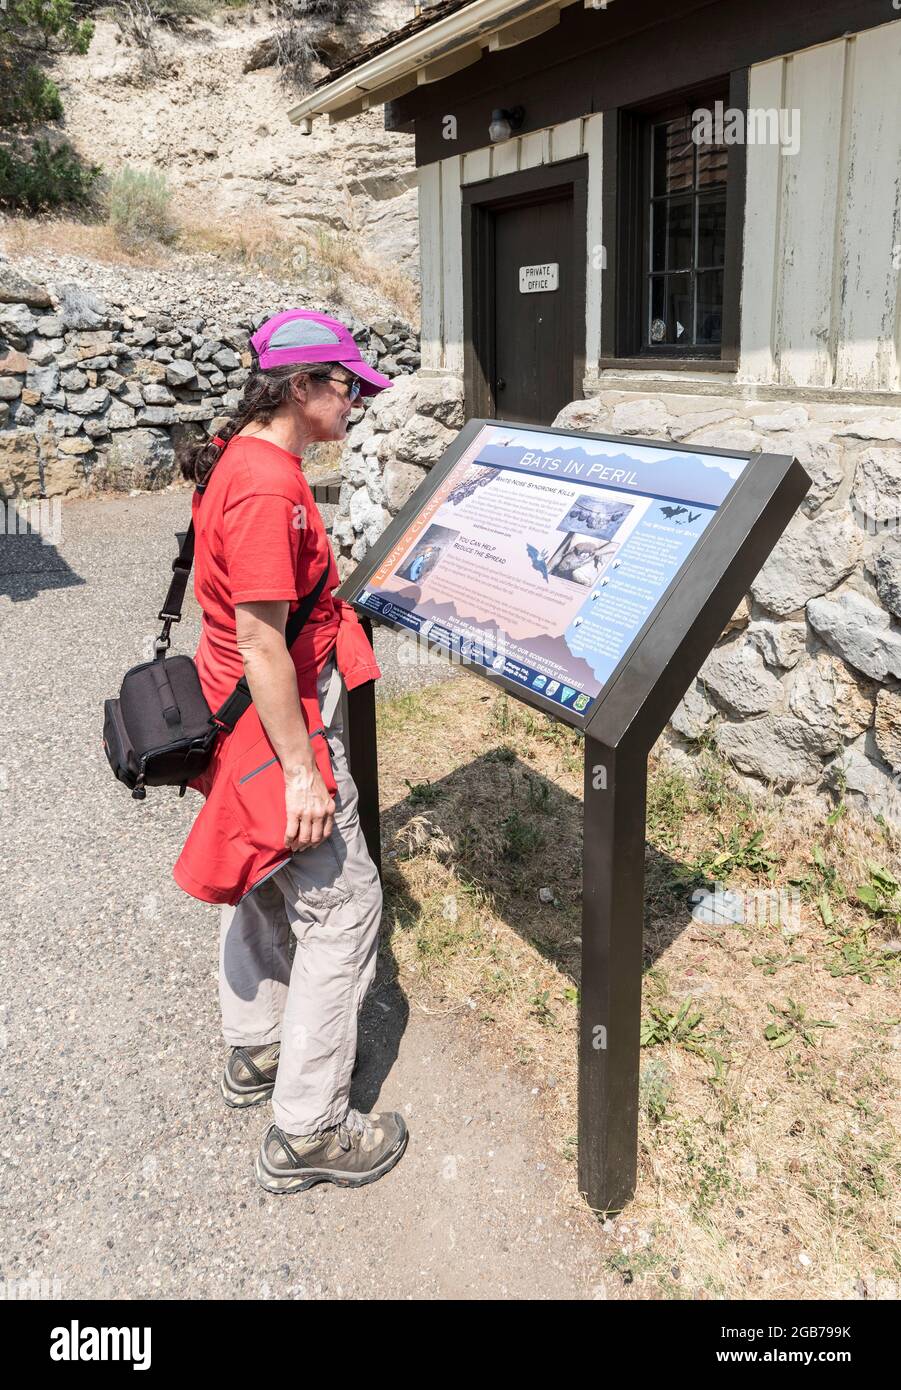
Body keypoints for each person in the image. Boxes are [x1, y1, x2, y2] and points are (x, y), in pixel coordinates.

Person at [173, 308, 408, 1194]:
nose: (355, 403)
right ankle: (308, 1131)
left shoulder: (238, 457)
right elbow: (264, 640)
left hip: (235, 721)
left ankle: (256, 1045)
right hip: (276, 728)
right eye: (345, 385)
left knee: (272, 880)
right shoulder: (270, 488)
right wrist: (305, 770)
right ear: (301, 388)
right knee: (343, 905)